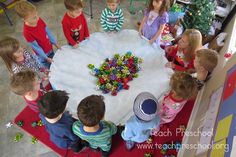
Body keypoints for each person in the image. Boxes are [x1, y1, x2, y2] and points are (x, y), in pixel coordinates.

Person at [15, 0, 60, 69]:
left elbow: (47, 32)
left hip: (49, 48)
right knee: (48, 67)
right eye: (33, 17)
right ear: (24, 19)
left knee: (54, 62)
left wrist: (55, 43)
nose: (37, 18)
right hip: (42, 55)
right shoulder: (27, 32)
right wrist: (45, 57)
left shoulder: (39, 20)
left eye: (37, 14)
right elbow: (36, 47)